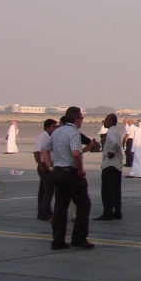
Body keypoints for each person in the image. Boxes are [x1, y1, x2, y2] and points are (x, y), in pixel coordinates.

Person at [45, 107, 94, 250]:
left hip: (58, 171)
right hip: (70, 172)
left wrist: (50, 167)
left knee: (60, 207)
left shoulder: (57, 131)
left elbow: (45, 149)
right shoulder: (74, 133)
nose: (82, 121)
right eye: (81, 118)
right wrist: (80, 169)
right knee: (84, 204)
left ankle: (58, 240)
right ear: (76, 118)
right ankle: (79, 238)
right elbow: (75, 154)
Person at [94, 114, 124, 221]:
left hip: (109, 165)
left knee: (108, 191)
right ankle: (117, 212)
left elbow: (114, 143)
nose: (104, 122)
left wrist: (111, 151)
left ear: (111, 122)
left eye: (106, 120)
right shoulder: (116, 131)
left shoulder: (110, 131)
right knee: (116, 190)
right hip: (117, 165)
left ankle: (107, 213)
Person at [33, 119, 58, 220]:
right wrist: (41, 165)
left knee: (43, 190)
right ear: (47, 127)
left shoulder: (50, 137)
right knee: (49, 189)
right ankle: (46, 212)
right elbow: (36, 152)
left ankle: (42, 212)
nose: (54, 129)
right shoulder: (42, 137)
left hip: (48, 164)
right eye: (52, 127)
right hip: (44, 165)